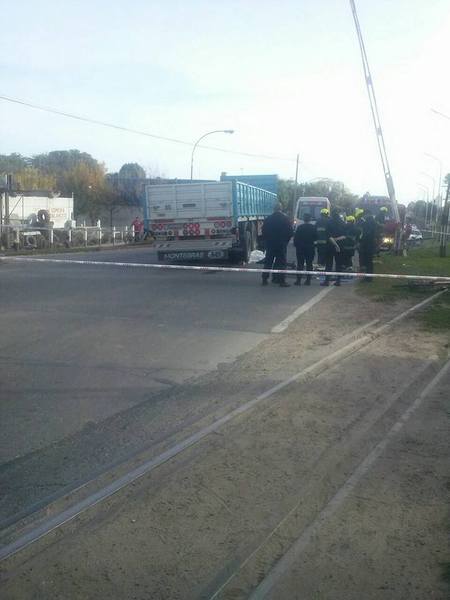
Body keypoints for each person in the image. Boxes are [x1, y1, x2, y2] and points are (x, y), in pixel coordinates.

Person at [261, 203, 293, 287]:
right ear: (281, 209)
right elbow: (290, 232)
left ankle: (264, 279)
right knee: (281, 262)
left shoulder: (268, 219)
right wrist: (285, 241)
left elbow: (263, 231)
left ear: (274, 209)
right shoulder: (285, 219)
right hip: (281, 244)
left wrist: (267, 241)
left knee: (268, 261)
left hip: (270, 244)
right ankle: (281, 280)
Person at [321, 208, 346, 286]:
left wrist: (335, 243)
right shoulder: (342, 223)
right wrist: (337, 242)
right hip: (340, 245)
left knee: (329, 263)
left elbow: (328, 236)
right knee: (339, 263)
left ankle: (327, 281)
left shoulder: (329, 222)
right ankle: (338, 281)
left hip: (330, 245)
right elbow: (345, 236)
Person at [293, 213, 317, 285]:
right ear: (310, 219)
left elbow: (296, 238)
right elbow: (316, 237)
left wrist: (297, 246)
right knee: (309, 264)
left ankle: (298, 280)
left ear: (304, 219)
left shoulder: (300, 227)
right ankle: (308, 280)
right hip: (310, 248)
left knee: (300, 264)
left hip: (300, 248)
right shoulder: (313, 227)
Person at [359, 209, 377, 282]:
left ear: (367, 214)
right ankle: (368, 277)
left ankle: (368, 278)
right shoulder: (372, 221)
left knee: (368, 262)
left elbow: (366, 233)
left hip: (367, 245)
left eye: (365, 215)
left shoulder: (369, 222)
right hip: (370, 244)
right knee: (369, 262)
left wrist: (361, 241)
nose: (364, 216)